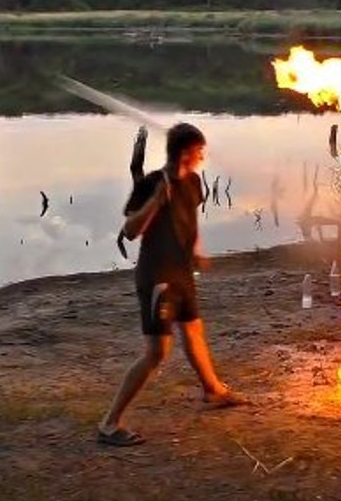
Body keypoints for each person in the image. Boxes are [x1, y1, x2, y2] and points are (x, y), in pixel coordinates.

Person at [97, 122, 248, 447]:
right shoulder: (152, 183)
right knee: (157, 352)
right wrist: (155, 201)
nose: (203, 156)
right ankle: (110, 423)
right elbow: (131, 230)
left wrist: (196, 251)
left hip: (181, 274)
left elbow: (188, 219)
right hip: (157, 278)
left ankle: (213, 390)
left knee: (194, 331)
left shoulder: (194, 182)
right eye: (199, 151)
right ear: (184, 152)